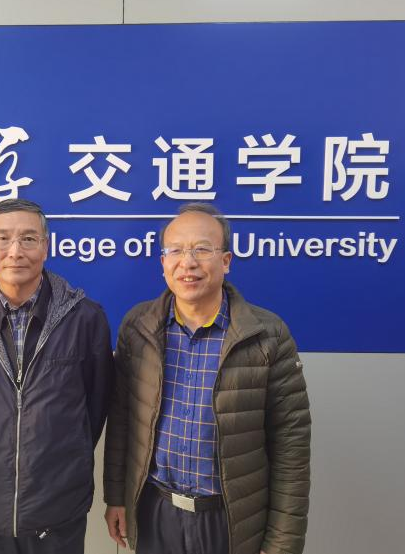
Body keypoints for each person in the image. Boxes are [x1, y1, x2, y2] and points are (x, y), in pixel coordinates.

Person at [103, 202, 310, 554]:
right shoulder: (138, 328)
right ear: (163, 263)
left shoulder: (267, 335)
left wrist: (282, 543)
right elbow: (122, 421)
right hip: (155, 512)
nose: (188, 262)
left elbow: (291, 445)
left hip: (231, 521)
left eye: (202, 249)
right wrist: (116, 497)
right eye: (175, 251)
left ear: (226, 261)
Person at [0, 198, 114, 554]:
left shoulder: (85, 319)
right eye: (3, 239)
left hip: (59, 511)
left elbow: (94, 411)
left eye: (29, 239)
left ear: (46, 247)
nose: (15, 251)